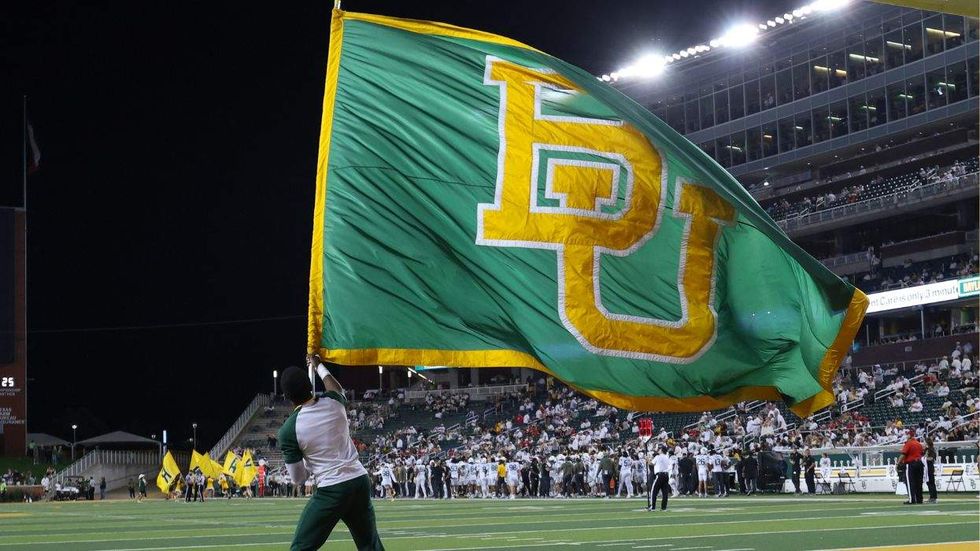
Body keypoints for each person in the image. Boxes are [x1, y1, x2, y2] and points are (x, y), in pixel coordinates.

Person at [277, 358, 384, 551]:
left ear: (286, 396)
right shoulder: (334, 402)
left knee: (301, 547)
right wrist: (318, 364)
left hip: (332, 487)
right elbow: (335, 387)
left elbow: (298, 479)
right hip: (359, 480)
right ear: (310, 385)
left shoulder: (289, 429)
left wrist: (309, 463)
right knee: (370, 545)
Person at [899, 431, 924, 505]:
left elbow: (903, 454)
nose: (906, 436)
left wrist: (898, 463)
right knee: (919, 482)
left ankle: (912, 499)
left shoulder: (908, 443)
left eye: (907, 435)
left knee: (910, 482)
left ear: (909, 435)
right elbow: (922, 453)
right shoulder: (918, 443)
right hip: (919, 463)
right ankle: (919, 499)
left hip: (911, 464)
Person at [648, 447, 671, 511]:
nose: (659, 450)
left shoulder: (658, 457)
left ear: (662, 450)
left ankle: (653, 507)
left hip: (660, 475)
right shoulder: (667, 457)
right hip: (666, 475)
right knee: (665, 492)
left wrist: (647, 459)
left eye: (660, 449)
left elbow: (651, 463)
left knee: (654, 491)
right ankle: (663, 507)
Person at [924, 438, 938, 503]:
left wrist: (924, 458)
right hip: (927, 467)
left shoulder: (931, 449)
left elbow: (931, 458)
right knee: (929, 482)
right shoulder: (926, 449)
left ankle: (933, 497)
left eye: (925, 442)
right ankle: (932, 497)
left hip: (929, 467)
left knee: (931, 482)